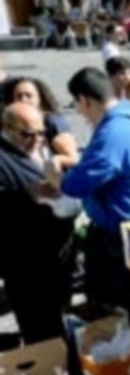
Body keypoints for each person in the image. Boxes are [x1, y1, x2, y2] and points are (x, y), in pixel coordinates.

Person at [49, 67, 130, 323]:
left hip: (120, 232)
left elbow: (77, 185)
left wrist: (53, 172)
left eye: (77, 105)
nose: (79, 112)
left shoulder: (113, 132)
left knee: (125, 305)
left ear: (85, 100)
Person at [0, 103, 76, 344]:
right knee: (42, 334)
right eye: (27, 134)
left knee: (62, 321)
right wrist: (28, 194)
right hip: (25, 267)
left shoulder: (46, 146)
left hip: (58, 258)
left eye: (41, 133)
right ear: (6, 129)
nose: (36, 140)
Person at [4, 77, 80, 169]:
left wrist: (51, 163)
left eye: (29, 96)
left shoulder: (52, 122)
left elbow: (73, 158)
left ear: (40, 99)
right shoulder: (8, 122)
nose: (24, 100)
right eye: (19, 96)